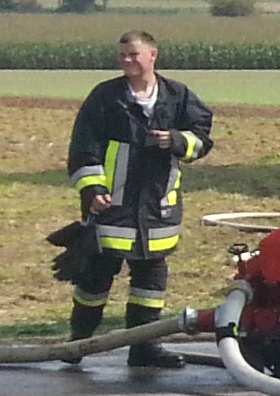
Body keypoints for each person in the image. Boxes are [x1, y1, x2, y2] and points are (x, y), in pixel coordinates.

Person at [63, 30, 214, 372]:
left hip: (158, 207)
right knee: (95, 278)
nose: (126, 60)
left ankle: (145, 348)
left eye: (133, 54)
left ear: (152, 56)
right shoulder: (106, 97)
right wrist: (91, 189)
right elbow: (84, 147)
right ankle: (78, 341)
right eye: (122, 55)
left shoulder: (177, 96)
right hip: (111, 206)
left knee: (151, 282)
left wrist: (176, 140)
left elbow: (202, 138)